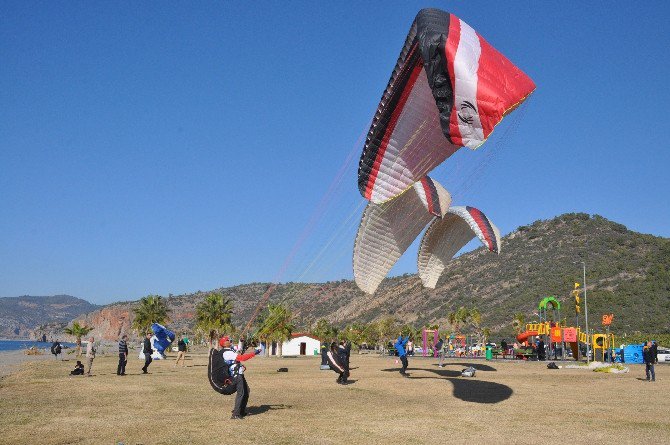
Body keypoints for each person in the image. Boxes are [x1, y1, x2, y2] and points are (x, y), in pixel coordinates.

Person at [219, 335, 260, 419]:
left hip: (239, 373)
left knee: (246, 391)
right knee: (241, 393)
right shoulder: (227, 353)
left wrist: (241, 341)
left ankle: (241, 411)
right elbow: (242, 357)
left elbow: (239, 348)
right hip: (236, 375)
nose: (230, 340)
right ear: (224, 343)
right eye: (228, 340)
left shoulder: (231, 349)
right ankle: (236, 414)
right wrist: (254, 353)